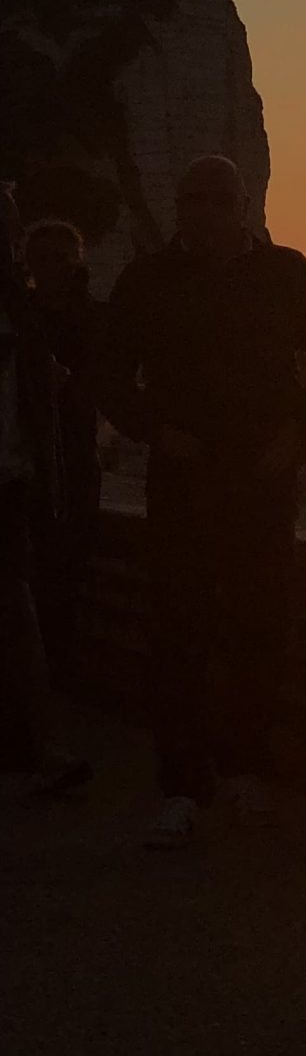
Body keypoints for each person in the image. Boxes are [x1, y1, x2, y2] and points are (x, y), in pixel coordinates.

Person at [101, 155, 306, 849]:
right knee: (176, 632)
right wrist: (156, 430)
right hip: (182, 481)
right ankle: (182, 787)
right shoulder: (149, 279)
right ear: (179, 207)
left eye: (219, 200)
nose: (205, 212)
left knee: (260, 628)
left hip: (262, 481)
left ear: (243, 206)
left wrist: (298, 431)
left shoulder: (287, 274)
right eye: (193, 200)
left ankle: (248, 773)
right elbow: (105, 371)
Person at [0, 185, 91, 798]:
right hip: (17, 476)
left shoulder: (20, 307)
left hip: (12, 478)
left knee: (17, 607)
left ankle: (39, 751)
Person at [22, 216, 103, 691]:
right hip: (26, 463)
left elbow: (101, 387)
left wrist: (68, 383)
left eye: (61, 260)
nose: (51, 268)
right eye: (43, 259)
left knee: (64, 577)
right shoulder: (21, 314)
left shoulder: (94, 318)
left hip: (72, 462)